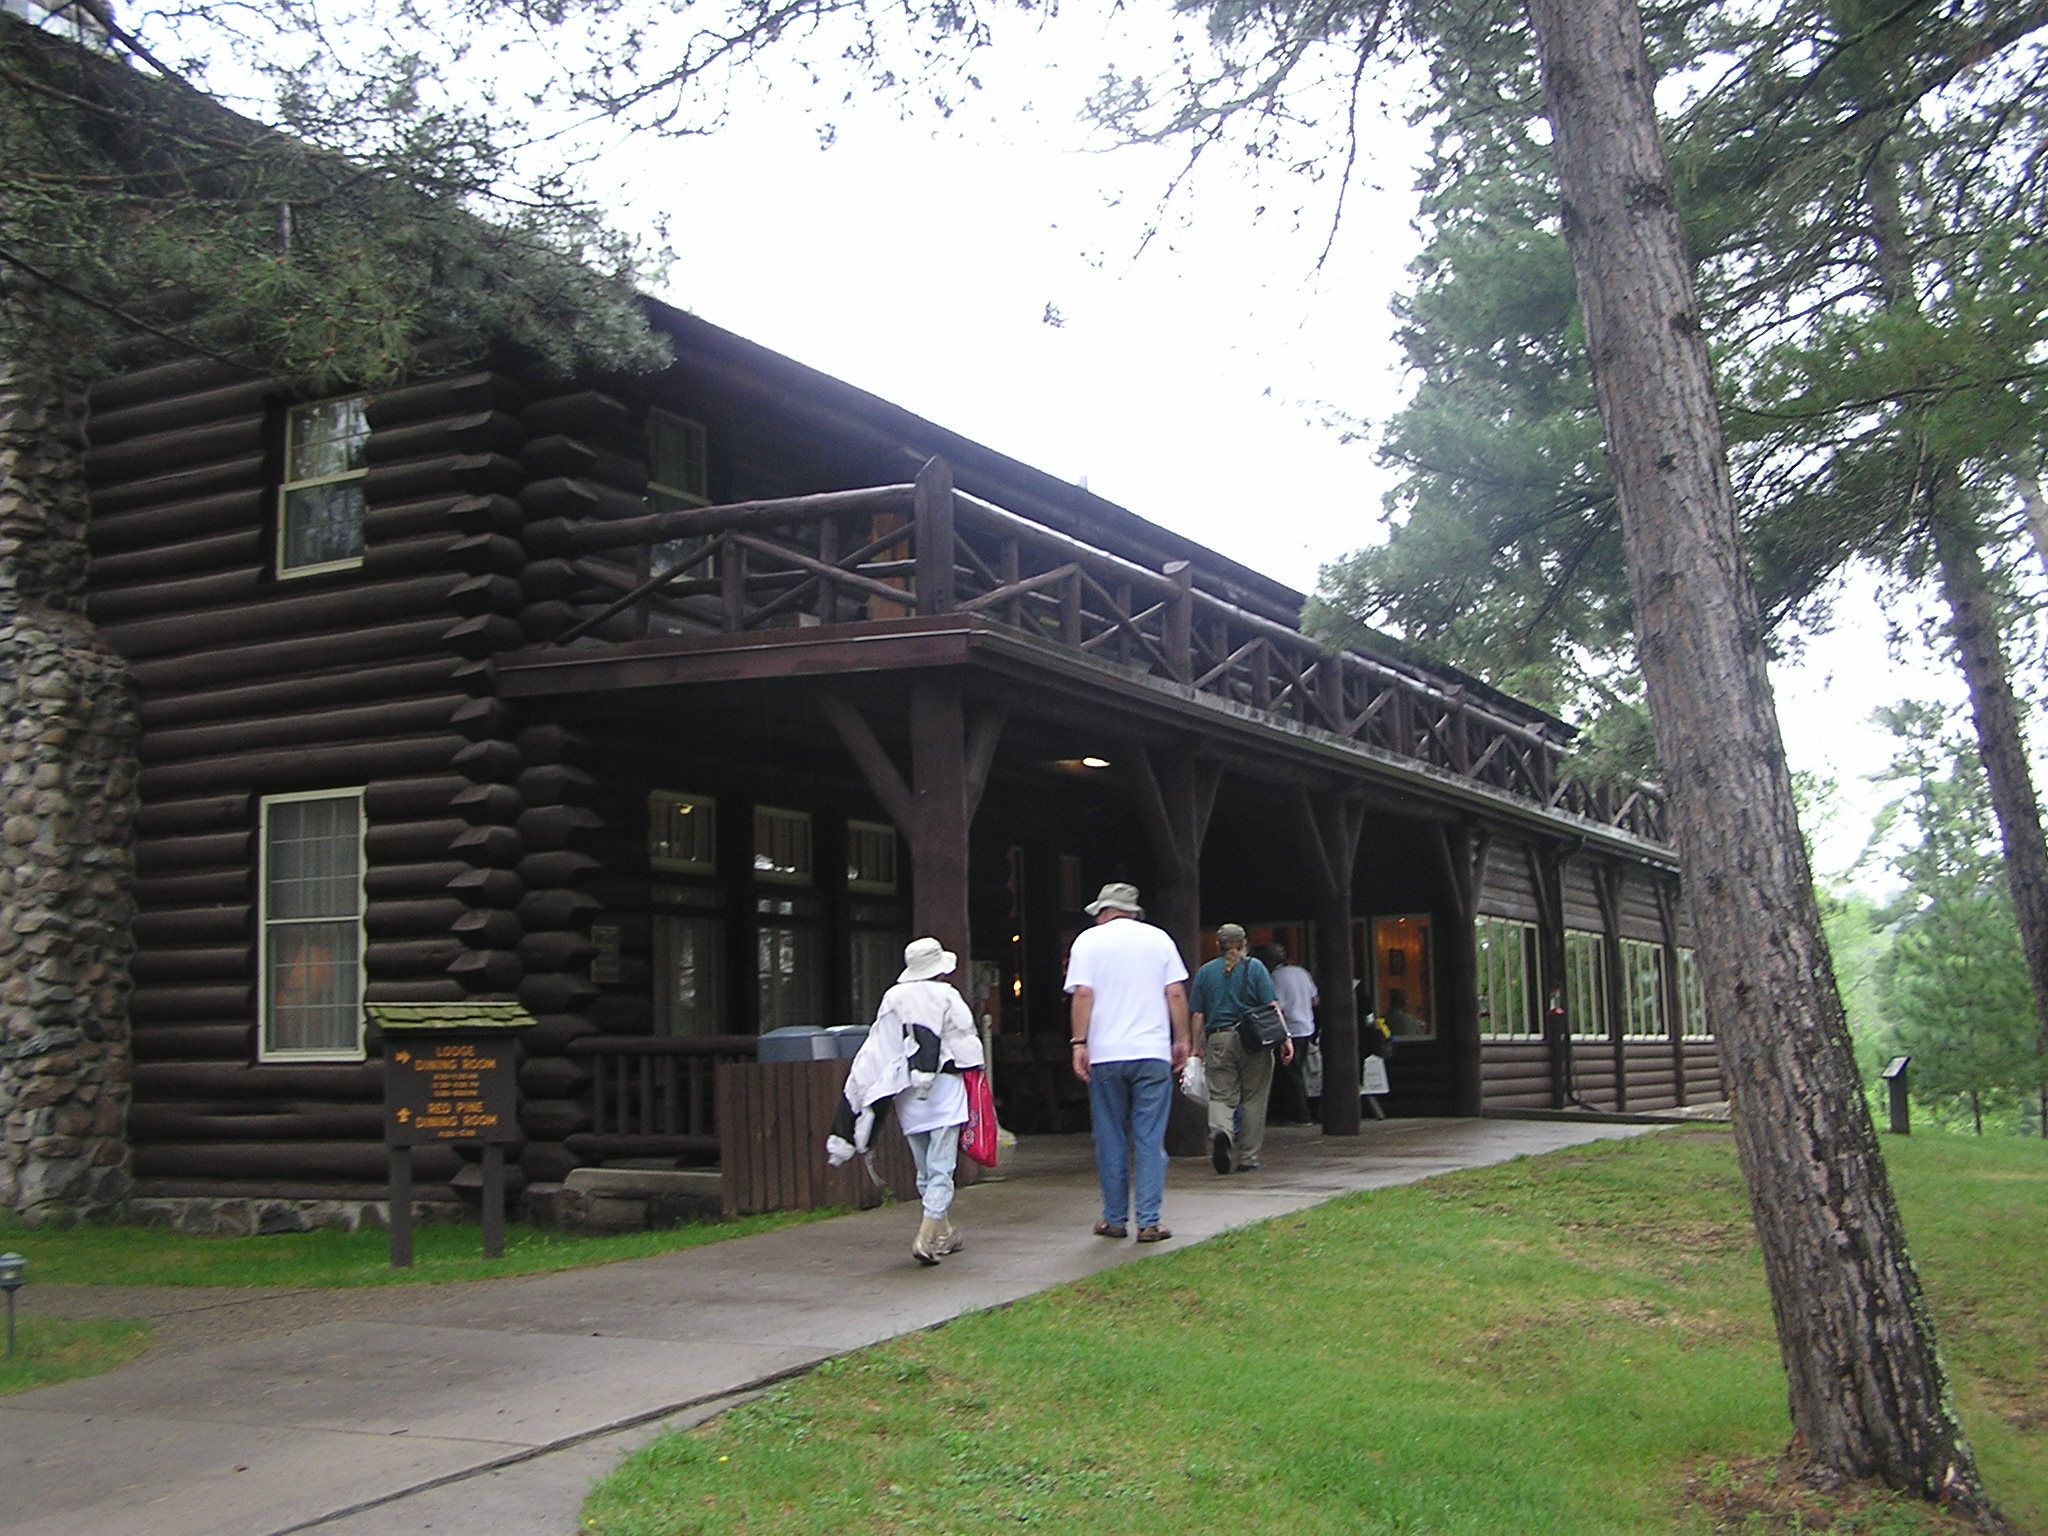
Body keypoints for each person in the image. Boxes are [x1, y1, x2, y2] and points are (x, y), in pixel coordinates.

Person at [826, 936, 985, 1266]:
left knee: (924, 1169)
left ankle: (945, 1232)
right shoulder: (947, 995)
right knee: (942, 1168)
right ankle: (927, 1234)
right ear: (939, 968)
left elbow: (877, 1049)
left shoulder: (893, 998)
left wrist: (855, 1103)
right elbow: (967, 1042)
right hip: (945, 1088)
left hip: (907, 1095)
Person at [1065, 882, 1190, 1243]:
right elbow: (1176, 992)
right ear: (1134, 911)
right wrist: (1181, 1040)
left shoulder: (1088, 941)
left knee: (1110, 1137)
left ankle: (1114, 1219)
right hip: (1151, 1051)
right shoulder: (1160, 939)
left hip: (1106, 1054)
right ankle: (1149, 1221)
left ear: (1104, 911)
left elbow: (1084, 994)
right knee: (1150, 1138)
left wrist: (1079, 1042)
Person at [1189, 923, 1291, 1174]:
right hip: (1254, 1039)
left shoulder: (1205, 972)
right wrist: (1285, 1037)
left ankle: (1221, 1131)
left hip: (1219, 1039)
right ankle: (1248, 1158)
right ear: (1244, 943)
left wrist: (1195, 1047)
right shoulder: (1255, 967)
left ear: (1217, 945)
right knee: (1254, 1099)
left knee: (1221, 1095)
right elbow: (1271, 1005)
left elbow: (1198, 1015)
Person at [1265, 943, 1320, 1125]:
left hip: (1289, 1029)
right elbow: (1315, 999)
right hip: (1307, 1027)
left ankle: (1300, 1114)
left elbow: (1275, 1005)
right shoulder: (1302, 973)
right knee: (1296, 1071)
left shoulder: (1276, 977)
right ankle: (1301, 1111)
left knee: (1291, 1074)